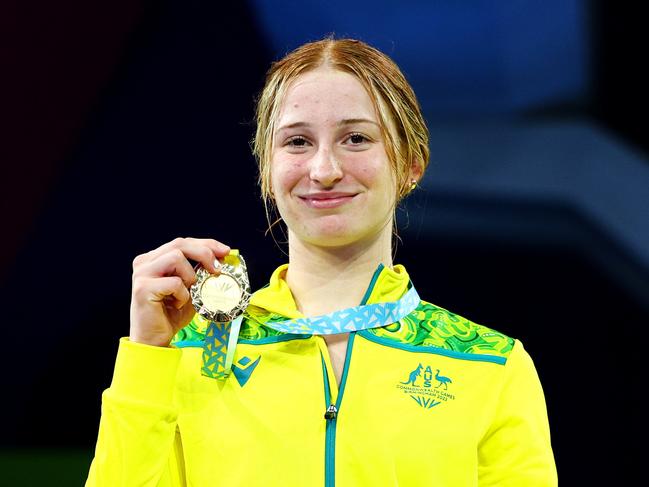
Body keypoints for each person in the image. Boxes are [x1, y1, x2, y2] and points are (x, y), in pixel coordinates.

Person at [86, 37, 557, 486]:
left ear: (411, 164)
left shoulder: (489, 364)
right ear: (267, 170)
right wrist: (146, 354)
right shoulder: (195, 351)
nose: (324, 170)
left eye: (355, 138)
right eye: (296, 142)